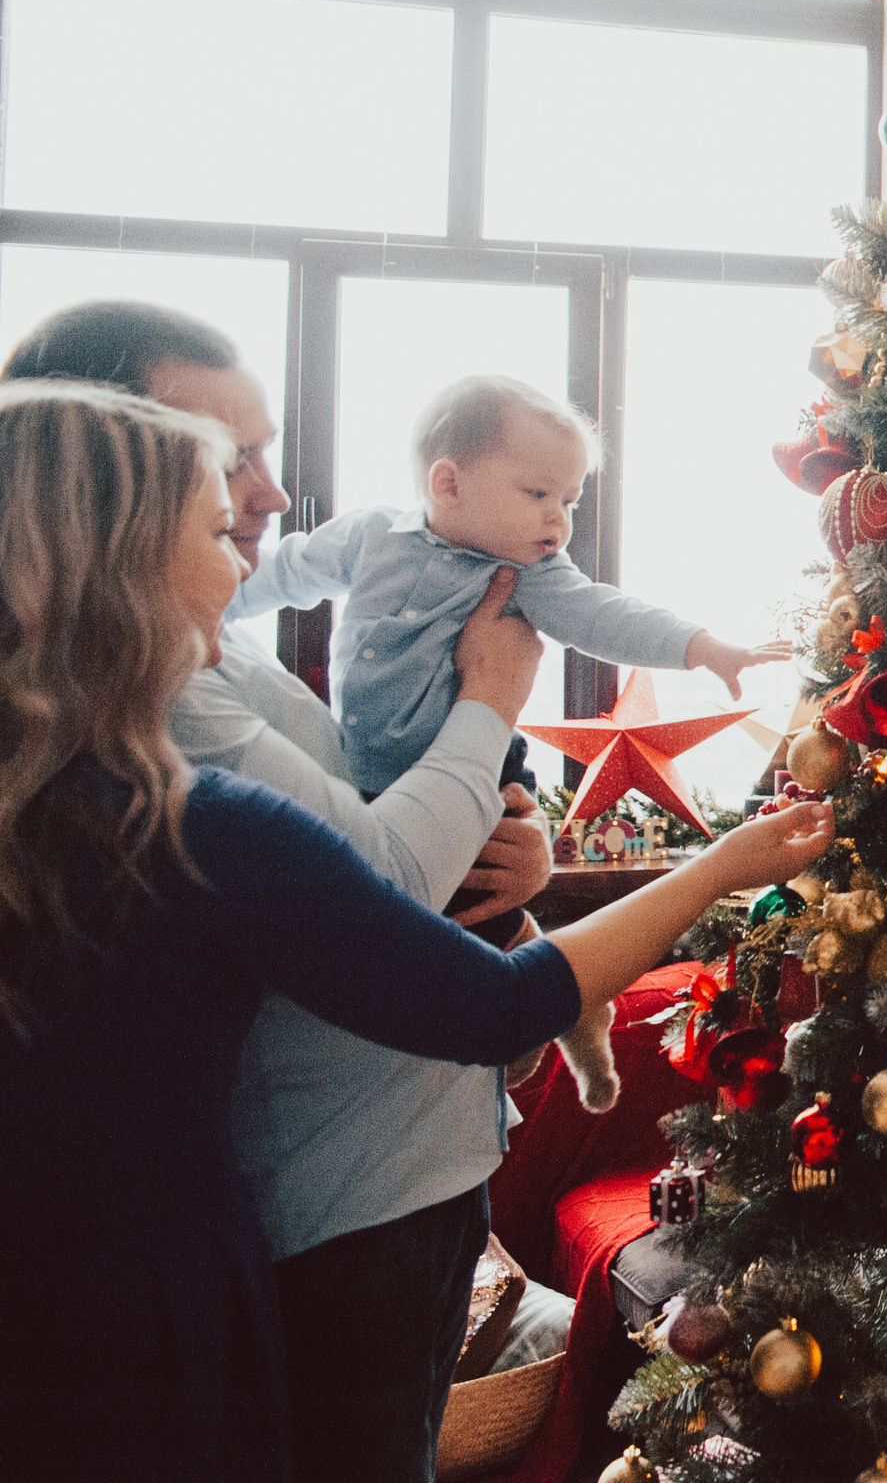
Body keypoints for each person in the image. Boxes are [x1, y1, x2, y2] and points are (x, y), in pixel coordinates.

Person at [0, 379, 836, 1481]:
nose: (243, 563)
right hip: (148, 1309)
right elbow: (486, 1006)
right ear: (128, 564)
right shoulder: (193, 821)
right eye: (214, 528)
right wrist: (726, 864)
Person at [1, 303, 567, 1478]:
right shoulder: (156, 693)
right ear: (101, 475)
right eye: (228, 460)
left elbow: (377, 847)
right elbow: (385, 884)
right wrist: (490, 704)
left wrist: (509, 845)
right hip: (311, 1201)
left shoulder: (215, 642)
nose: (269, 494)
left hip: (400, 1171)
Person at [234, 373, 780, 795]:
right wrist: (212, 606)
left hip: (482, 777)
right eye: (538, 495)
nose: (558, 520)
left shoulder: (527, 574)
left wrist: (701, 647)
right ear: (448, 484)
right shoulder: (371, 535)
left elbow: (601, 615)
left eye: (568, 501)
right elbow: (286, 569)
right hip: (356, 771)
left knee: (476, 911)